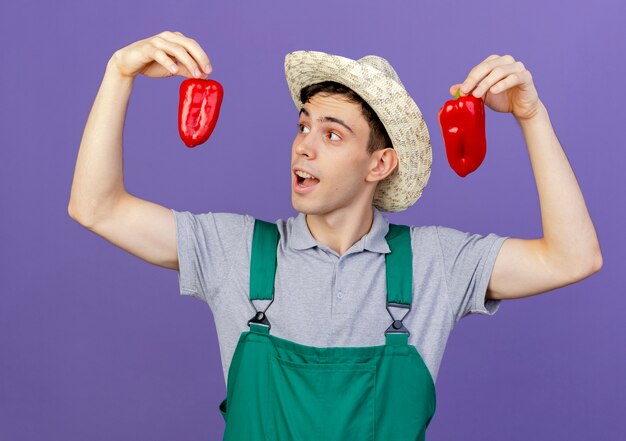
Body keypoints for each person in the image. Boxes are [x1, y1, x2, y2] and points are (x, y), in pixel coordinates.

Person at [68, 30, 603, 440]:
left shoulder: (437, 263)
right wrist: (119, 74)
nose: (304, 146)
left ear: (379, 163)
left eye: (331, 133)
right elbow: (96, 207)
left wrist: (531, 117)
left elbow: (573, 258)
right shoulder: (234, 250)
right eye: (303, 126)